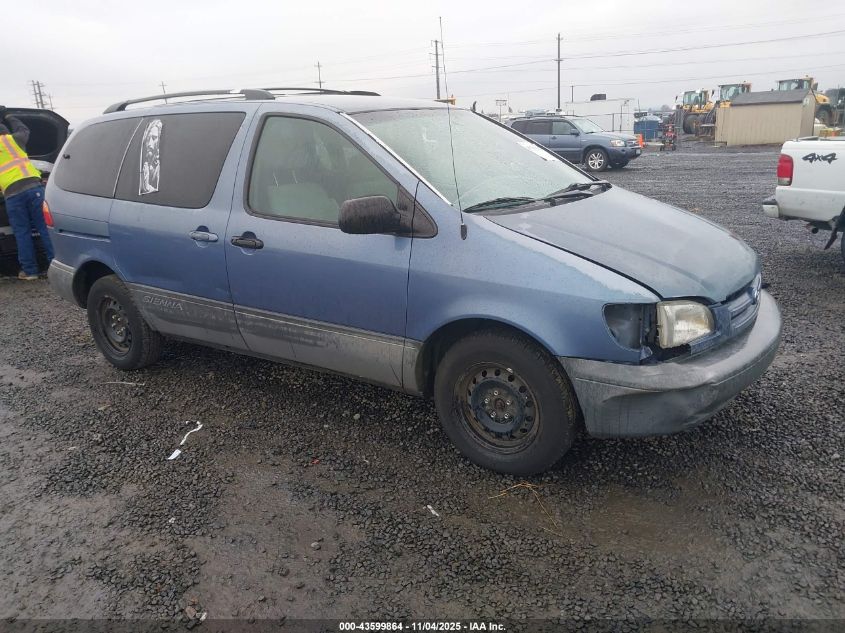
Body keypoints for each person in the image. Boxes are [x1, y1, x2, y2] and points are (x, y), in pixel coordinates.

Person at [0, 109, 54, 280]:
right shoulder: (15, 140)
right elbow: (24, 129)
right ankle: (54, 266)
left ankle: (30, 271)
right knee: (44, 228)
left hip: (12, 195)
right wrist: (9, 116)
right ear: (6, 131)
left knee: (21, 233)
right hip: (33, 189)